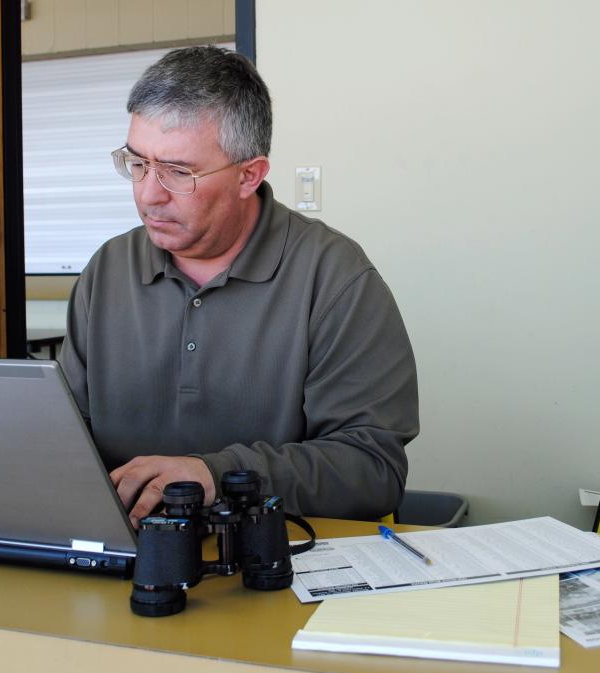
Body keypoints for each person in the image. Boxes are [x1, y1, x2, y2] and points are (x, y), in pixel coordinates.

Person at [60, 46, 418, 528]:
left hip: (277, 562)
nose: (149, 193)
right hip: (128, 556)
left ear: (249, 175)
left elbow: (373, 471)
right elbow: (62, 439)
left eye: (178, 172)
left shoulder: (334, 277)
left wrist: (216, 476)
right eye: (138, 163)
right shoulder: (107, 270)